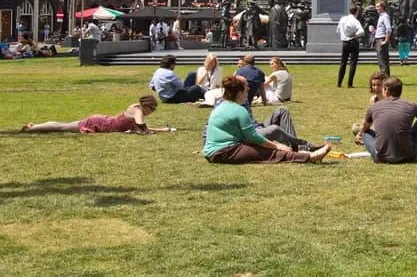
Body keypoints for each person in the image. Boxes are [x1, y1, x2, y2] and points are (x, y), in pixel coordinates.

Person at [202, 76, 330, 164]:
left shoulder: (223, 105)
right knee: (270, 153)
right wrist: (278, 145)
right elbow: (253, 138)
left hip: (217, 151)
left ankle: (300, 150)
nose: (248, 92)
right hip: (224, 151)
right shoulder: (238, 109)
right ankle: (310, 156)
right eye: (246, 90)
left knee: (269, 149)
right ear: (239, 92)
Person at [355, 77, 417, 164]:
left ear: (387, 91)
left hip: (381, 158)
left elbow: (365, 126)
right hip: (407, 156)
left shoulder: (374, 106)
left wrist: (360, 134)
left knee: (366, 133)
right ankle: (414, 153)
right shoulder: (411, 105)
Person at [21, 95, 171, 134]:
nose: (152, 112)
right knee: (62, 127)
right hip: (100, 123)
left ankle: (35, 126)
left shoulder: (136, 108)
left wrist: (162, 130)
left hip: (102, 120)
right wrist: (152, 132)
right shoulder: (138, 110)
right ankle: (32, 128)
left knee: (64, 125)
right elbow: (142, 128)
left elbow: (143, 127)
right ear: (147, 107)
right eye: (152, 109)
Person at [336, 3, 365, 88]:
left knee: (343, 63)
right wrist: (355, 36)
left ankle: (339, 82)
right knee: (353, 63)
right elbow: (361, 32)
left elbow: (338, 29)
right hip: (353, 42)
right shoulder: (355, 21)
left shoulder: (343, 19)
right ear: (357, 11)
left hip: (345, 42)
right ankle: (350, 83)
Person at [374, 0, 392, 76]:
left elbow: (388, 29)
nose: (376, 8)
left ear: (382, 7)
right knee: (381, 60)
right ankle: (385, 78)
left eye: (378, 6)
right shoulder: (381, 16)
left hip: (381, 39)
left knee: (382, 61)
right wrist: (374, 31)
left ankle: (385, 78)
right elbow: (382, 29)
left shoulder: (385, 16)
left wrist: (386, 40)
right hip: (378, 38)